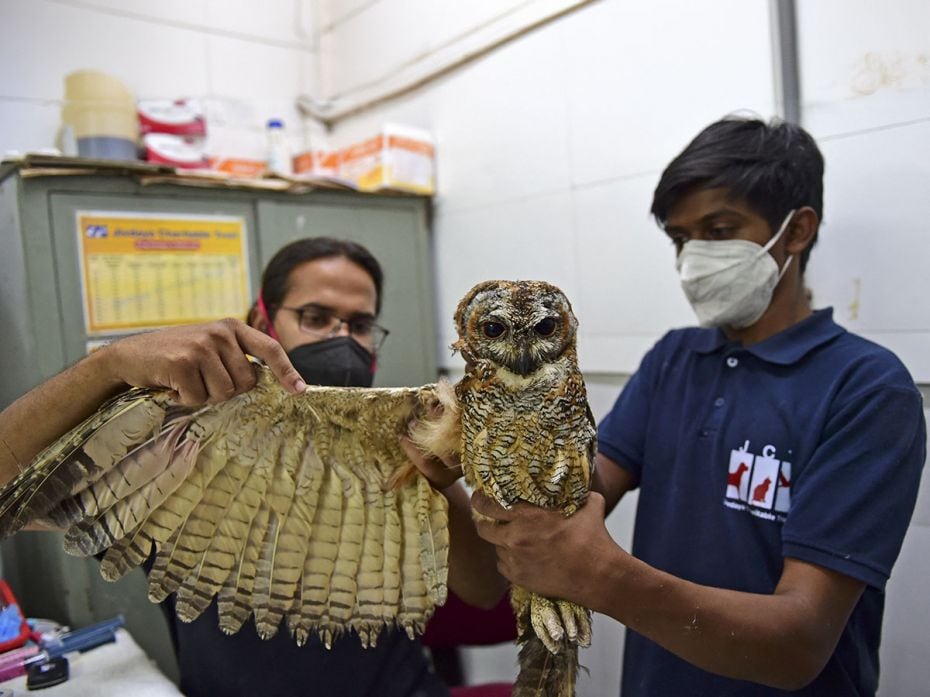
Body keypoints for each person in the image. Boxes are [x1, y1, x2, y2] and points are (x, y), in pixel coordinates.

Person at [470, 117, 927, 696]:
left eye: (719, 229)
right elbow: (566, 501)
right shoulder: (674, 359)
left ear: (796, 231)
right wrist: (464, 463)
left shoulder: (865, 388)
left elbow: (798, 644)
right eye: (681, 238)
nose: (694, 257)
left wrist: (604, 575)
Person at [0, 236, 504, 697]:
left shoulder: (406, 438)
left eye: (361, 324)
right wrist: (107, 365)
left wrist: (439, 484)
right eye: (316, 316)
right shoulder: (180, 439)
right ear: (263, 324)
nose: (343, 336)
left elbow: (484, 593)